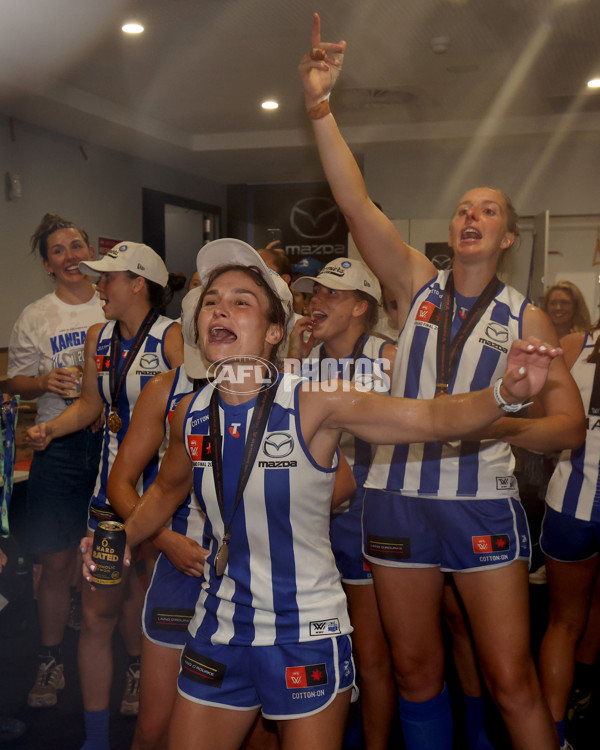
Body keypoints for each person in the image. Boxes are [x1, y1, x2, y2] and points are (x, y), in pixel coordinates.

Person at [112, 239, 559, 750]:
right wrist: (120, 538)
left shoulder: (313, 402)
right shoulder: (189, 413)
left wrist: (507, 392)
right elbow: (165, 492)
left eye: (241, 301)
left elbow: (433, 418)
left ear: (274, 331)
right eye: (213, 300)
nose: (221, 308)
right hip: (220, 627)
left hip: (304, 631)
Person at [298, 14, 585, 750]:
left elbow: (570, 427)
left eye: (487, 210)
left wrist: (496, 424)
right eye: (463, 207)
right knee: (418, 671)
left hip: (482, 503)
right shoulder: (414, 286)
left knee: (509, 677)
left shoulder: (529, 317)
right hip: (394, 500)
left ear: (508, 236)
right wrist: (322, 109)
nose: (470, 216)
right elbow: (357, 205)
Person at [27, 241, 183, 750]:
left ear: (138, 283)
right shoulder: (98, 337)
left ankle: (175, 729)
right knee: (96, 617)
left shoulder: (174, 339)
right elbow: (92, 406)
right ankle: (96, 740)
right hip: (108, 505)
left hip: (169, 506)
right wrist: (52, 428)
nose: (98, 286)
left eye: (108, 278)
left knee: (167, 617)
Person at [289, 258, 397, 750]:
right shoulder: (302, 360)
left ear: (360, 305)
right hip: (309, 522)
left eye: (332, 294)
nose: (317, 301)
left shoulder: (389, 356)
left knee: (371, 651)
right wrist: (291, 356)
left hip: (369, 517)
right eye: (315, 293)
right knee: (312, 641)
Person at [5, 213, 105, 709]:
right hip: (56, 449)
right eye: (59, 251)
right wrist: (44, 382)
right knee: (57, 560)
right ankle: (49, 658)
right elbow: (13, 382)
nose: (70, 256)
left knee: (111, 562)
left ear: (92, 252)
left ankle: (117, 660)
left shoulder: (116, 304)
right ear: (48, 265)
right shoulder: (36, 316)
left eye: (77, 245)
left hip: (112, 446)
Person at [538, 323, 600, 750]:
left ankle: (555, 733)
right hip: (573, 503)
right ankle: (577, 700)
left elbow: (542, 421)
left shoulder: (578, 343)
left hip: (575, 506)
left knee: (564, 620)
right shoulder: (577, 343)